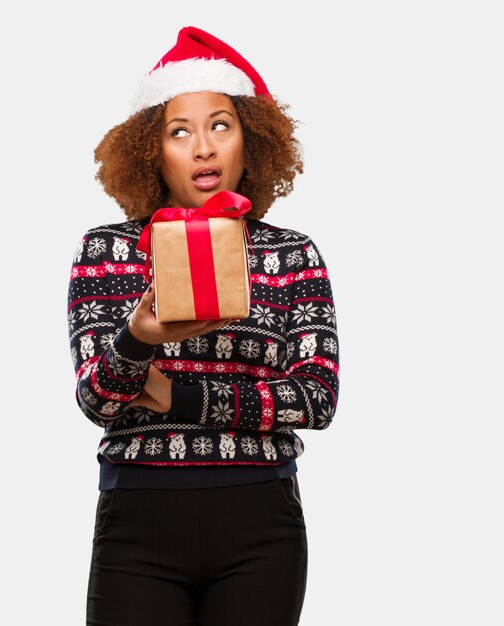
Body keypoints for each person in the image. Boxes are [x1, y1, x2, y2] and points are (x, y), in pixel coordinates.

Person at [67, 25, 340, 626]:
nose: (204, 148)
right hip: (138, 520)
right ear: (149, 150)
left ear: (251, 138)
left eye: (220, 124)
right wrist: (139, 337)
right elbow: (96, 397)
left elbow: (316, 400)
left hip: (260, 523)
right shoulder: (108, 251)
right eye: (179, 131)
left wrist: (177, 394)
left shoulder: (291, 255)